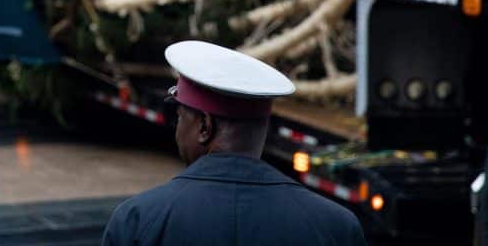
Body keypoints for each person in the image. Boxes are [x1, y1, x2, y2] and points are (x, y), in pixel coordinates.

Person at [102, 40, 367, 245]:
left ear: (205, 126)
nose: (177, 128)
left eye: (181, 117)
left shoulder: (137, 220)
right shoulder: (336, 226)